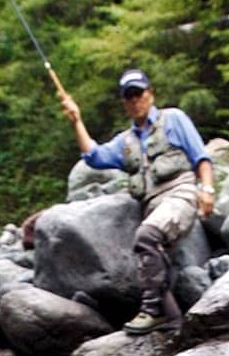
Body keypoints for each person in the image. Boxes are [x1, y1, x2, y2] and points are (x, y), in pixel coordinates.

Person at [60, 68, 215, 334]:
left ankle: (152, 311)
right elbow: (94, 157)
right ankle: (177, 327)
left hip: (181, 195)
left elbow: (201, 157)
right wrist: (76, 121)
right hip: (153, 207)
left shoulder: (174, 119)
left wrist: (208, 190)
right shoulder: (125, 141)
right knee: (153, 261)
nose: (134, 100)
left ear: (150, 94)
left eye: (138, 93)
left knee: (145, 236)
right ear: (124, 102)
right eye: (128, 96)